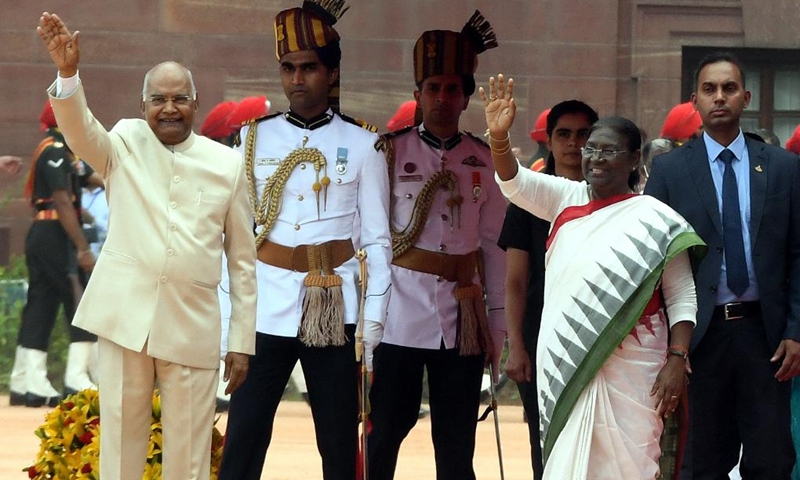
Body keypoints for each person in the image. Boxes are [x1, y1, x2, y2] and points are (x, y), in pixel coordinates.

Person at [38, 12, 257, 480]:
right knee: (120, 446)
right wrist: (68, 74)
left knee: (190, 457)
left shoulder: (227, 165)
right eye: (158, 99)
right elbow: (79, 132)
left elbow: (243, 263)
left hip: (192, 324)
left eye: (180, 99)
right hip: (124, 319)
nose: (170, 108)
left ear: (196, 104)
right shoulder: (123, 142)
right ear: (143, 105)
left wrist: (241, 341)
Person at [483, 74, 704, 479]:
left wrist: (678, 358)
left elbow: (683, 295)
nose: (596, 159)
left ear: (635, 158)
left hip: (637, 370)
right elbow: (513, 182)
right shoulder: (564, 198)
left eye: (609, 150)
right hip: (566, 366)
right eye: (591, 150)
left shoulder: (658, 221)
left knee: (632, 466)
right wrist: (499, 137)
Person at [217, 1, 391, 479]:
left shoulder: (364, 144)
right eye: (289, 68)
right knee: (245, 435)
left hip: (333, 305)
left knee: (337, 441)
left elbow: (377, 241)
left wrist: (373, 322)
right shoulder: (252, 138)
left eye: (309, 68)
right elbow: (233, 236)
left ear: (331, 73)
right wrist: (228, 317)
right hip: (264, 303)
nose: (298, 79)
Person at [645, 51, 800, 479]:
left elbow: (798, 254)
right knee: (702, 462)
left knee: (771, 461)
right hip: (700, 338)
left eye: (729, 88)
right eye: (709, 89)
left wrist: (795, 331)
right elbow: (654, 261)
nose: (720, 97)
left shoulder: (785, 169)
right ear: (694, 99)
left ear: (745, 97)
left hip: (766, 339)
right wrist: (670, 347)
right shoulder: (670, 171)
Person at [367, 12, 506, 480]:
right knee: (385, 429)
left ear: (466, 97)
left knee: (456, 438)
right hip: (398, 314)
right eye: (433, 88)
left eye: (452, 89)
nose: (443, 98)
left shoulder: (483, 161)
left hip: (462, 314)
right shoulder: (387, 153)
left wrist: (498, 326)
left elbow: (495, 249)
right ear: (417, 95)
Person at [498, 99, 598, 479]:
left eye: (584, 134)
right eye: (564, 134)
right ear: (550, 141)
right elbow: (515, 282)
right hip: (541, 340)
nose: (574, 143)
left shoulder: (616, 197)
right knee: (547, 445)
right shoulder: (527, 201)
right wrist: (517, 347)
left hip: (602, 336)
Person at [8, 99, 100, 408]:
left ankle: (25, 380)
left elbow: (92, 177)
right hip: (55, 234)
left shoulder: (62, 150)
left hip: (48, 234)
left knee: (41, 305)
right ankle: (76, 377)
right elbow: (61, 201)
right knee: (80, 299)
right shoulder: (55, 152)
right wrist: (83, 248)